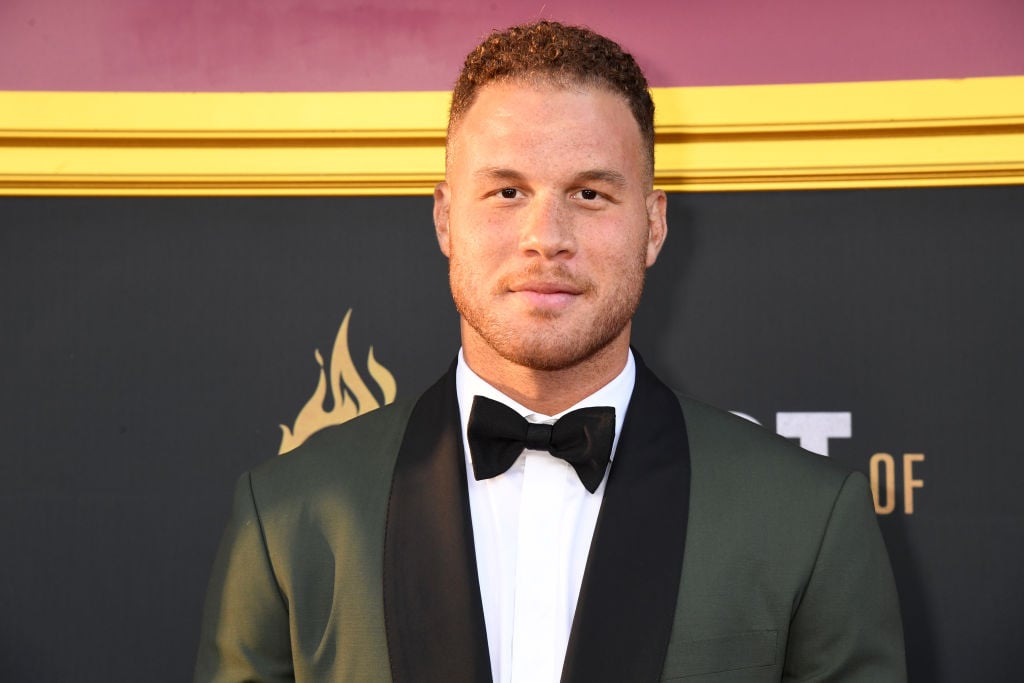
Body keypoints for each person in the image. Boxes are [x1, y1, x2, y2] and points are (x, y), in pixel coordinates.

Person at [194, 20, 905, 683]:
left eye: (590, 194)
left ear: (654, 226)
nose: (546, 237)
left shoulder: (807, 521)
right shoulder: (289, 518)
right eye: (507, 191)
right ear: (446, 218)